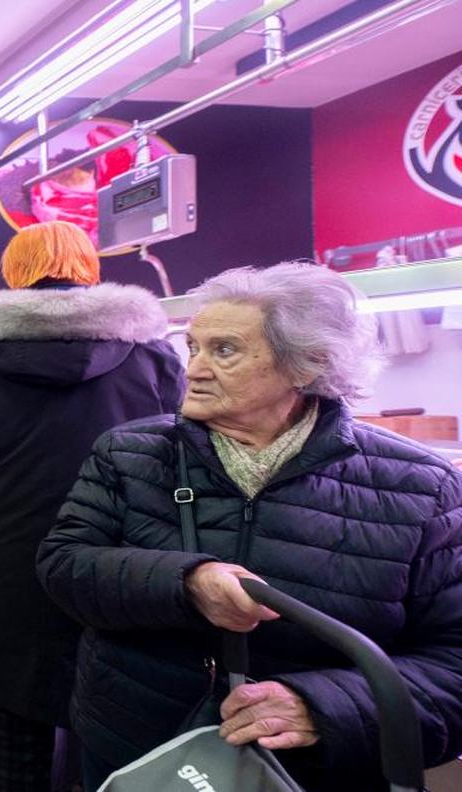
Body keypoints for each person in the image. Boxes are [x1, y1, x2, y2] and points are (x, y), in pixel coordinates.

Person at [36, 262, 462, 792]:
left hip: (309, 772)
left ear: (308, 365)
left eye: (224, 350)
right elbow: (64, 567)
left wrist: (328, 706)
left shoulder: (423, 489)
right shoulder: (130, 453)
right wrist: (186, 584)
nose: (192, 369)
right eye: (192, 346)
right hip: (140, 748)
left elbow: (452, 661)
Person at [0, 221, 184, 791]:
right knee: (111, 735)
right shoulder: (154, 359)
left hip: (2, 569)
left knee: (15, 735)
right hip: (113, 565)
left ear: (14, 274)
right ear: (87, 268)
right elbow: (180, 456)